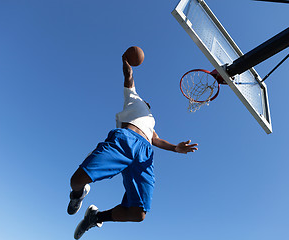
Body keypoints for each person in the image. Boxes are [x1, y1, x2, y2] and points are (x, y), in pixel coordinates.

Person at [68, 52, 198, 239]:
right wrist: (126, 62)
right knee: (76, 180)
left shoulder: (151, 120)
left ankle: (95, 217)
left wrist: (175, 148)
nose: (148, 105)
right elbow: (128, 76)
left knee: (139, 213)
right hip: (125, 141)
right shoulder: (133, 98)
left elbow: (155, 139)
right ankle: (77, 196)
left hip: (145, 153)